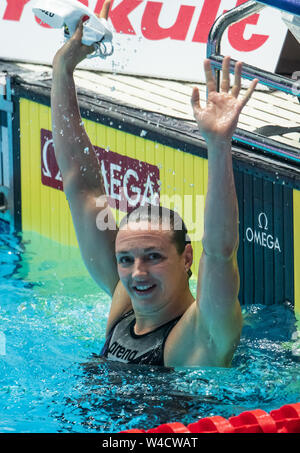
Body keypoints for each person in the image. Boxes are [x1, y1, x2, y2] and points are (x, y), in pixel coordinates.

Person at [51, 0, 258, 367]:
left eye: (154, 257)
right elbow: (82, 188)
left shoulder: (201, 335)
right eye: (126, 260)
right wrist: (62, 70)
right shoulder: (123, 303)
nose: (137, 273)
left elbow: (221, 251)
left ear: (187, 258)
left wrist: (219, 145)